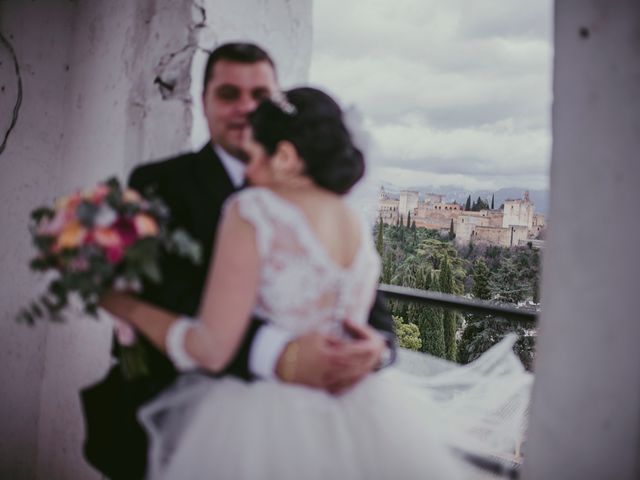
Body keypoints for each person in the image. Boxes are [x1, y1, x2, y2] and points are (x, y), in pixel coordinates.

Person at [100, 86, 463, 479]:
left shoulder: (254, 210)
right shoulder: (352, 222)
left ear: (285, 157)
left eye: (254, 156)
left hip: (262, 424)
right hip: (358, 416)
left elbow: (209, 350)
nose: (249, 172)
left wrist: (124, 304)